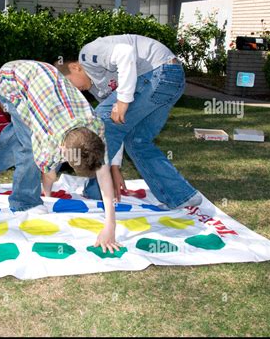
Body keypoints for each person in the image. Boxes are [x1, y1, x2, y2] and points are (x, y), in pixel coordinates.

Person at [55, 34, 202, 209]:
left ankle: (97, 192)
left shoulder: (87, 55)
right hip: (170, 81)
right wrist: (115, 168)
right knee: (136, 140)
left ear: (75, 67)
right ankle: (182, 196)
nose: (73, 90)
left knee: (98, 123)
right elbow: (117, 128)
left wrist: (123, 100)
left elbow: (125, 53)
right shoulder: (98, 89)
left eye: (69, 83)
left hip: (158, 71)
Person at [0, 60, 120, 253]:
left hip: (43, 77)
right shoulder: (48, 138)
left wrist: (111, 225)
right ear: (61, 148)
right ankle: (23, 202)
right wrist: (48, 192)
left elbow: (104, 174)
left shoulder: (96, 127)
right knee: (27, 148)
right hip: (9, 79)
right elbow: (49, 173)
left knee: (14, 140)